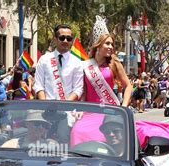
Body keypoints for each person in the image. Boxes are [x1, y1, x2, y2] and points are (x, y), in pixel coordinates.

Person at [70, 17, 132, 147]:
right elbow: (84, 92)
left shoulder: (114, 63)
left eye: (112, 44)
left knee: (107, 136)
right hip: (89, 111)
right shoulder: (85, 66)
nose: (111, 47)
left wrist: (124, 107)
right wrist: (80, 108)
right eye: (107, 43)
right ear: (98, 45)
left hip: (109, 111)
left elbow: (128, 86)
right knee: (77, 131)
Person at [34, 24, 84, 143]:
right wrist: (45, 106)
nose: (65, 41)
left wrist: (63, 106)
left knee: (63, 144)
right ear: (55, 39)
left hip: (66, 114)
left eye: (69, 38)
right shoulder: (45, 59)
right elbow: (39, 85)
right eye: (62, 38)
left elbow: (78, 89)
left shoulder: (77, 62)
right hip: (46, 112)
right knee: (42, 146)